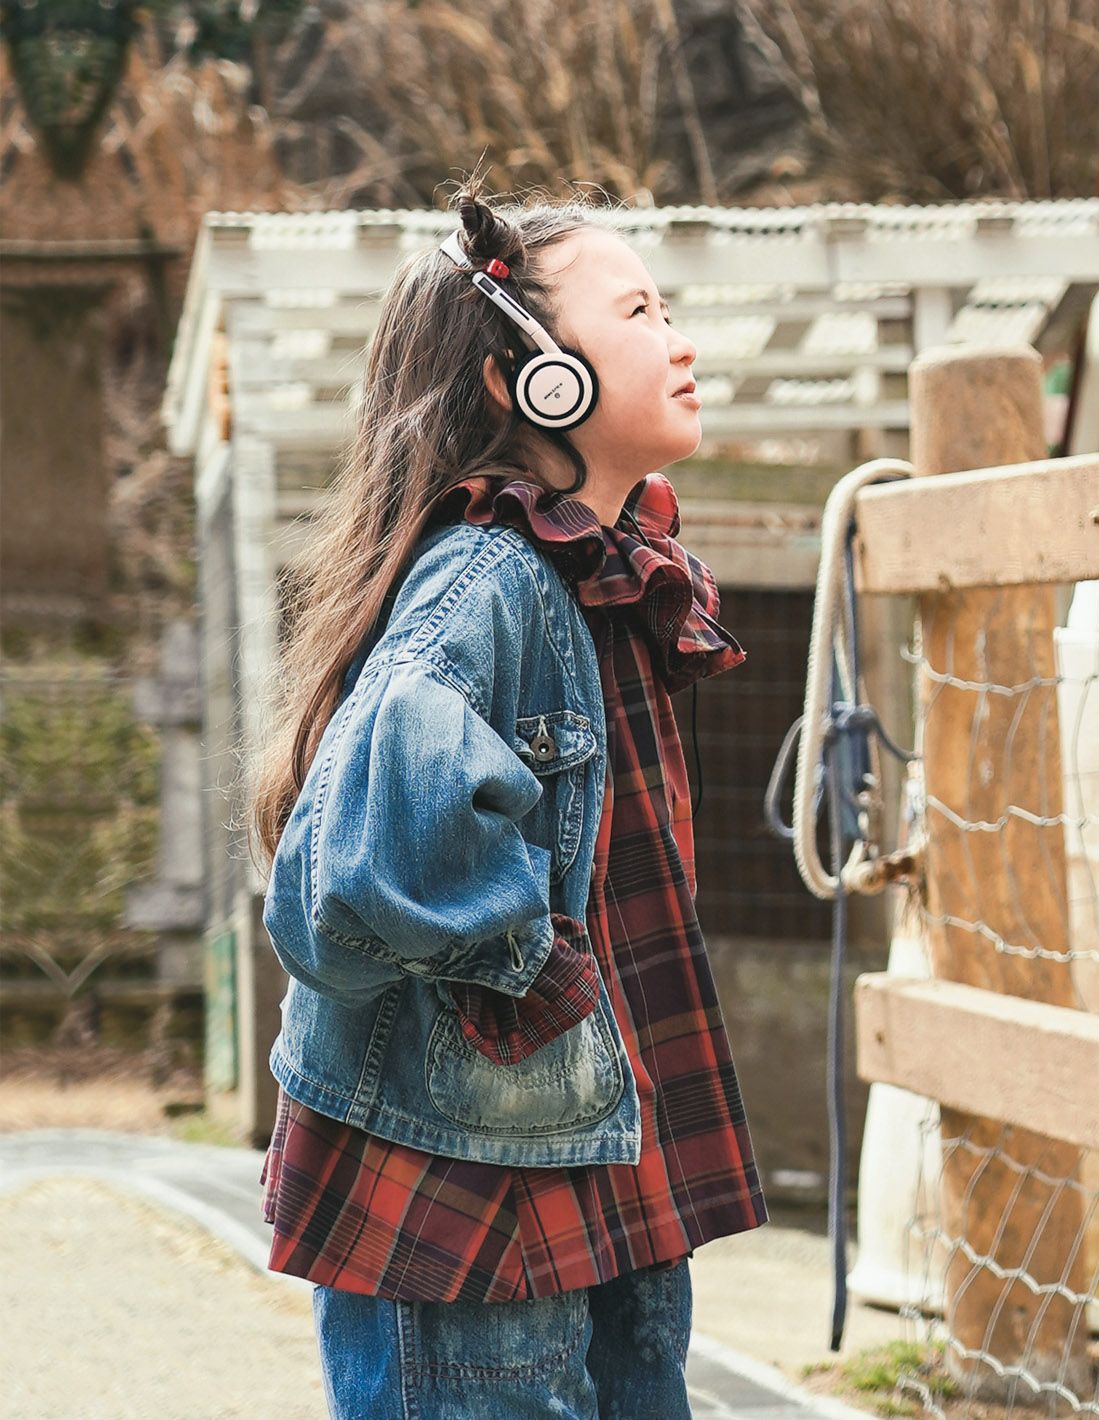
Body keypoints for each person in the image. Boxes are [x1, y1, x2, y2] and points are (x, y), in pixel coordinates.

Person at [249, 174, 768, 1419]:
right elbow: (353, 864)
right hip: (472, 1192)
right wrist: (539, 977)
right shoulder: (487, 577)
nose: (679, 337)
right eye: (639, 311)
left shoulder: (593, 572)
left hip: (580, 1155)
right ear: (531, 380)